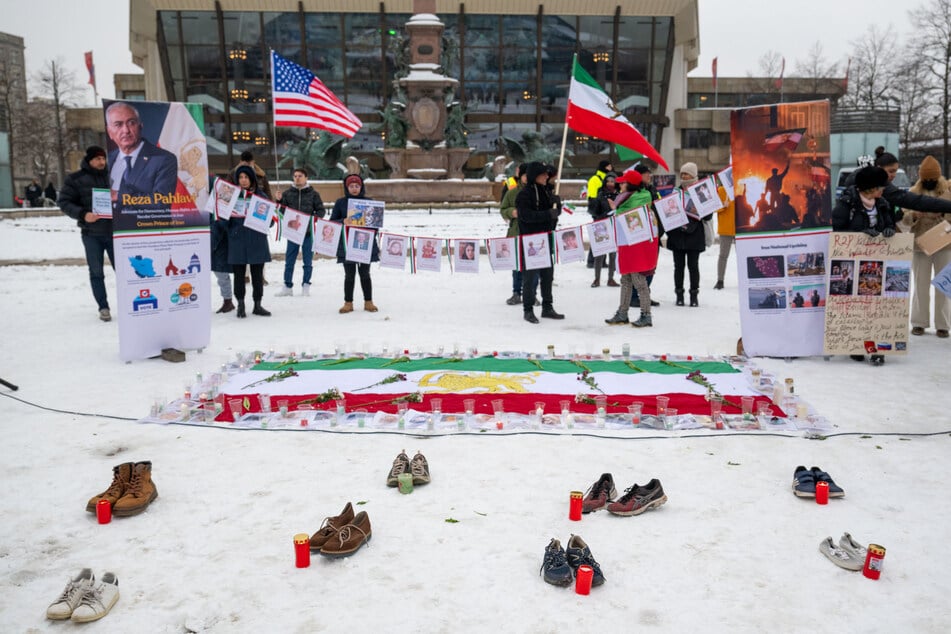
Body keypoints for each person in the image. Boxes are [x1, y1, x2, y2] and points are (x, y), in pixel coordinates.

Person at [832, 165, 897, 365]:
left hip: (877, 263)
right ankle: (856, 344)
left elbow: (890, 223)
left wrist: (888, 230)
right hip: (852, 263)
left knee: (877, 307)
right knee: (856, 308)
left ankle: (877, 347)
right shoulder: (847, 204)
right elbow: (837, 230)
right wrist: (860, 233)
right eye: (880, 187)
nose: (883, 190)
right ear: (869, 188)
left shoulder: (882, 203)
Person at [58, 146, 114, 321]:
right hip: (91, 234)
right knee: (96, 272)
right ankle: (103, 307)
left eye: (103, 158)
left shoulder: (114, 176)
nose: (101, 162)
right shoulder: (75, 179)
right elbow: (64, 202)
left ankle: (131, 304)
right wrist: (83, 214)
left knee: (125, 271)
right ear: (89, 160)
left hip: (115, 233)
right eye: (97, 159)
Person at [605, 170, 659, 327]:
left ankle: (646, 315)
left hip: (638, 245)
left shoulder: (641, 197)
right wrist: (616, 208)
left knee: (639, 280)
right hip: (626, 244)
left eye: (623, 182)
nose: (619, 185)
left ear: (631, 184)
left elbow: (627, 216)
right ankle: (622, 313)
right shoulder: (624, 199)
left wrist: (616, 209)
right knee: (626, 279)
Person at [905, 155, 951, 338]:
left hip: (945, 245)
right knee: (920, 284)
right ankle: (919, 322)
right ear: (921, 178)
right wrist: (915, 215)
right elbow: (905, 219)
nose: (930, 182)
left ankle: (943, 324)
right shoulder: (913, 193)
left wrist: (944, 215)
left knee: (944, 285)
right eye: (927, 179)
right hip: (920, 245)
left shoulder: (948, 191)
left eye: (933, 179)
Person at [105, 102, 178, 210]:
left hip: (148, 226)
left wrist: (119, 196)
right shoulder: (107, 160)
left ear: (140, 126)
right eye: (118, 125)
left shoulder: (163, 159)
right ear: (109, 132)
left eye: (131, 123)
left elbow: (161, 201)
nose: (126, 130)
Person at [516, 161, 564, 323]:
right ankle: (528, 309)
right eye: (543, 174)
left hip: (545, 239)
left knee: (547, 276)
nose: (546, 177)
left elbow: (554, 214)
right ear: (534, 176)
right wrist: (547, 214)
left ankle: (547, 307)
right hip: (530, 241)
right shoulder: (524, 194)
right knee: (529, 278)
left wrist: (558, 206)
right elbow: (526, 216)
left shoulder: (546, 192)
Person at [228, 165, 272, 318]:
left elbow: (271, 222)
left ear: (252, 178)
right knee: (239, 275)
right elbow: (223, 218)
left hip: (257, 239)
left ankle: (257, 304)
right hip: (237, 239)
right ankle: (240, 304)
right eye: (240, 177)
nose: (243, 180)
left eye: (246, 177)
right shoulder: (232, 196)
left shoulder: (261, 197)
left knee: (257, 274)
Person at [331, 174, 379, 313]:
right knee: (349, 275)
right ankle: (348, 302)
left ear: (361, 187)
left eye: (357, 186)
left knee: (365, 274)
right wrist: (342, 221)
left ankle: (368, 301)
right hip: (346, 243)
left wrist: (371, 228)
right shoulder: (340, 203)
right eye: (351, 186)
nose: (354, 188)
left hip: (365, 242)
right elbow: (332, 221)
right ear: (347, 187)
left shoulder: (369, 202)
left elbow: (375, 224)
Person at [666, 162, 711, 307]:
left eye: (687, 173)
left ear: (694, 175)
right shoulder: (674, 192)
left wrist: (702, 208)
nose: (684, 176)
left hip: (694, 235)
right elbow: (667, 213)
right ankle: (679, 294)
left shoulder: (701, 192)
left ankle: (694, 295)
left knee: (693, 266)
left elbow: (708, 217)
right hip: (677, 234)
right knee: (678, 267)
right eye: (682, 174)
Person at [275, 167, 325, 297]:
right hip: (293, 232)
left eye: (300, 176)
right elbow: (281, 211)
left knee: (307, 261)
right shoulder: (287, 194)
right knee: (289, 260)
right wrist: (279, 201)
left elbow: (321, 211)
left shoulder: (313, 194)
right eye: (295, 176)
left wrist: (312, 218)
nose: (297, 178)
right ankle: (287, 285)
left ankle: (306, 285)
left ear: (306, 178)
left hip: (308, 233)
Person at [591, 173, 619, 287]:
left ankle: (610, 278)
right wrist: (601, 217)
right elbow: (594, 211)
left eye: (612, 182)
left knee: (613, 255)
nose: (610, 184)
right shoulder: (600, 195)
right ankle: (596, 278)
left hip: (614, 227)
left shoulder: (619, 195)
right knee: (599, 255)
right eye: (608, 181)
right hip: (602, 226)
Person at [586, 159, 613, 268]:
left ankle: (601, 260)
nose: (611, 167)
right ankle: (592, 260)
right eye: (609, 166)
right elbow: (592, 196)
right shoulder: (595, 179)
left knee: (605, 236)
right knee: (598, 235)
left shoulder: (608, 178)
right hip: (599, 211)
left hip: (607, 210)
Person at [713, 183, 735, 290]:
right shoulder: (721, 190)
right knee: (723, 256)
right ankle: (720, 280)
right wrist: (722, 205)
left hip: (741, 228)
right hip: (725, 228)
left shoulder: (742, 188)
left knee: (743, 256)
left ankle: (746, 280)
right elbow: (712, 206)